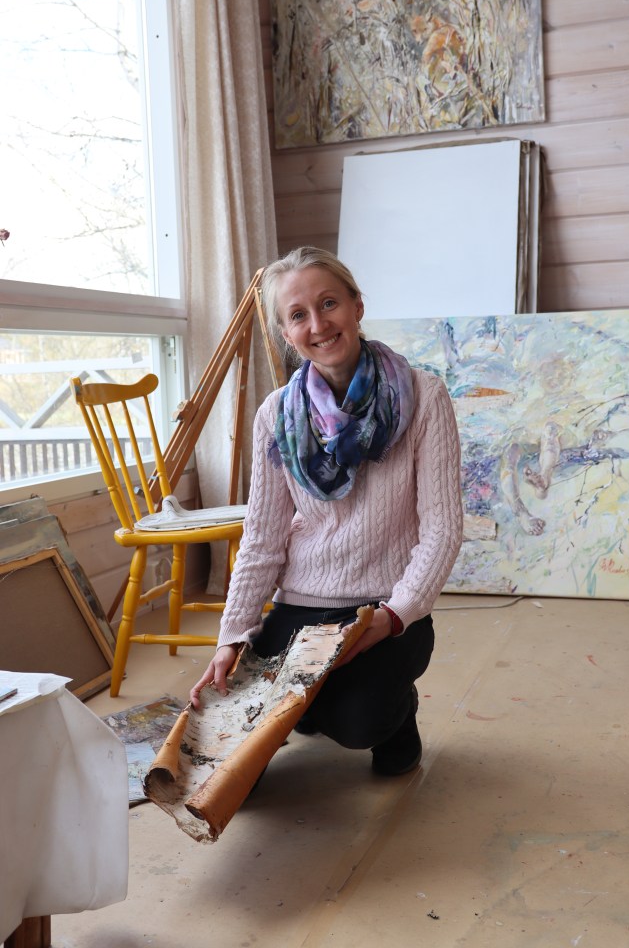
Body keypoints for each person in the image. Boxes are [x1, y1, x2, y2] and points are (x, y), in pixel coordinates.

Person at [190, 246, 463, 776]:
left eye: (329, 303)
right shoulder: (275, 414)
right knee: (256, 730)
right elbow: (262, 539)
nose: (318, 324)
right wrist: (232, 637)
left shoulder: (424, 396)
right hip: (301, 605)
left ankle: (398, 714)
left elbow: (443, 529)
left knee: (358, 723)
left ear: (357, 306)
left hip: (381, 606)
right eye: (298, 315)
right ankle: (318, 706)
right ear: (286, 333)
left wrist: (396, 615)